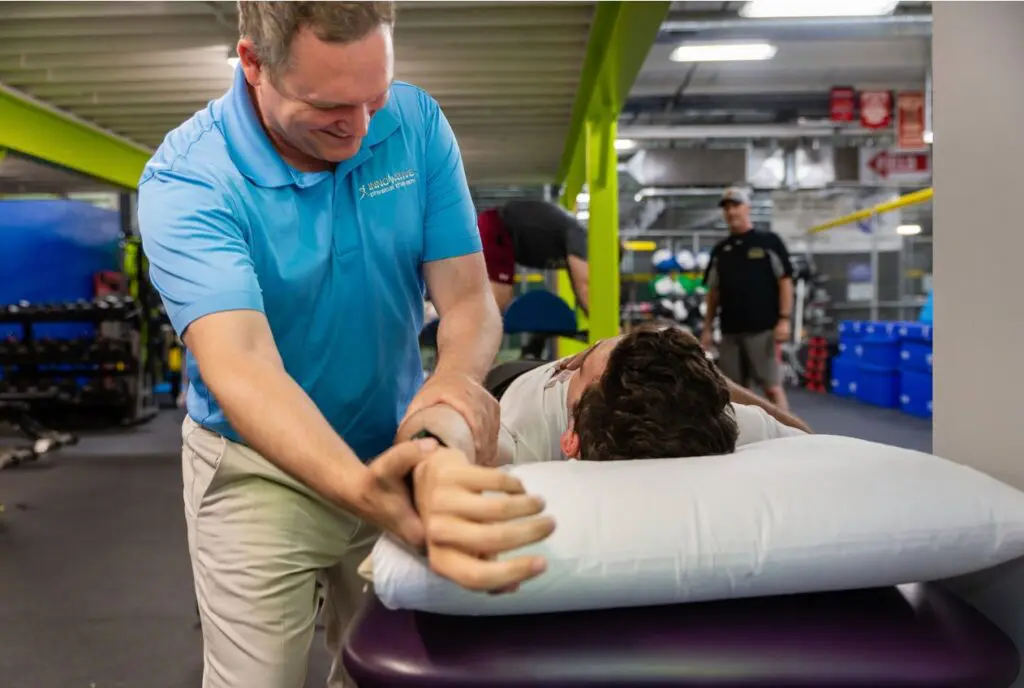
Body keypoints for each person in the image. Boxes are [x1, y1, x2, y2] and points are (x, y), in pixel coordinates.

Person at [136, 4, 553, 687]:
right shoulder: (188, 181)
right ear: (252, 63)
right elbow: (241, 364)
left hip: (395, 445)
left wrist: (447, 395)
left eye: (373, 96)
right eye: (329, 105)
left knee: (387, 673)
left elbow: (469, 300)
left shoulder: (415, 124)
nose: (359, 128)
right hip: (258, 468)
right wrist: (361, 489)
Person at [701, 187, 795, 411]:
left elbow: (785, 282)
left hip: (762, 330)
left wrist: (784, 319)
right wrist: (706, 328)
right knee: (735, 391)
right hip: (730, 332)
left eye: (736, 205)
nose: (731, 212)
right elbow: (714, 292)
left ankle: (794, 438)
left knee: (772, 387)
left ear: (747, 208)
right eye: (727, 208)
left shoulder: (769, 243)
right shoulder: (721, 250)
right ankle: (746, 440)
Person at [478, 199, 591, 314]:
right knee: (501, 297)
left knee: (497, 298)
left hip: (495, 227)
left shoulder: (575, 243)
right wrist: (601, 324)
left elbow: (578, 288)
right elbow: (584, 288)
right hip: (497, 227)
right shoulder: (581, 238)